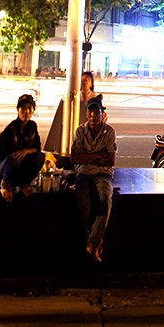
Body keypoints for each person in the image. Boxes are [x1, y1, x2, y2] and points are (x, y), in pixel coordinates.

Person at [68, 97, 117, 260]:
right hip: (84, 173)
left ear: (102, 114)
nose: (94, 115)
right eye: (91, 112)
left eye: (98, 112)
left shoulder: (109, 132)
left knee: (105, 198)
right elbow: (75, 159)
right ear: (87, 114)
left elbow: (110, 160)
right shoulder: (80, 131)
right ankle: (94, 241)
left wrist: (87, 156)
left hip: (103, 173)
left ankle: (92, 242)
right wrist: (98, 155)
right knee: (83, 199)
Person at [0, 93, 44, 200]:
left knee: (40, 157)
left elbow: (37, 148)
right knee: (15, 157)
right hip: (3, 170)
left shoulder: (32, 127)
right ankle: (5, 186)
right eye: (23, 109)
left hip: (17, 170)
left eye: (30, 109)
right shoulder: (11, 129)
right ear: (18, 110)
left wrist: (26, 151)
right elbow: (2, 154)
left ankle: (24, 183)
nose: (27, 112)